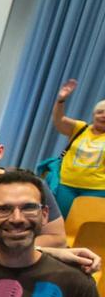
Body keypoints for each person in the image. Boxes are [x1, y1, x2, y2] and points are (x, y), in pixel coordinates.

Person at [50, 78, 105, 211]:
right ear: (93, 115)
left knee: (84, 226)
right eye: (100, 112)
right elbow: (59, 120)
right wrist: (61, 100)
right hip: (66, 186)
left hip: (97, 190)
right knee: (60, 223)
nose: (103, 116)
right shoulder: (80, 128)